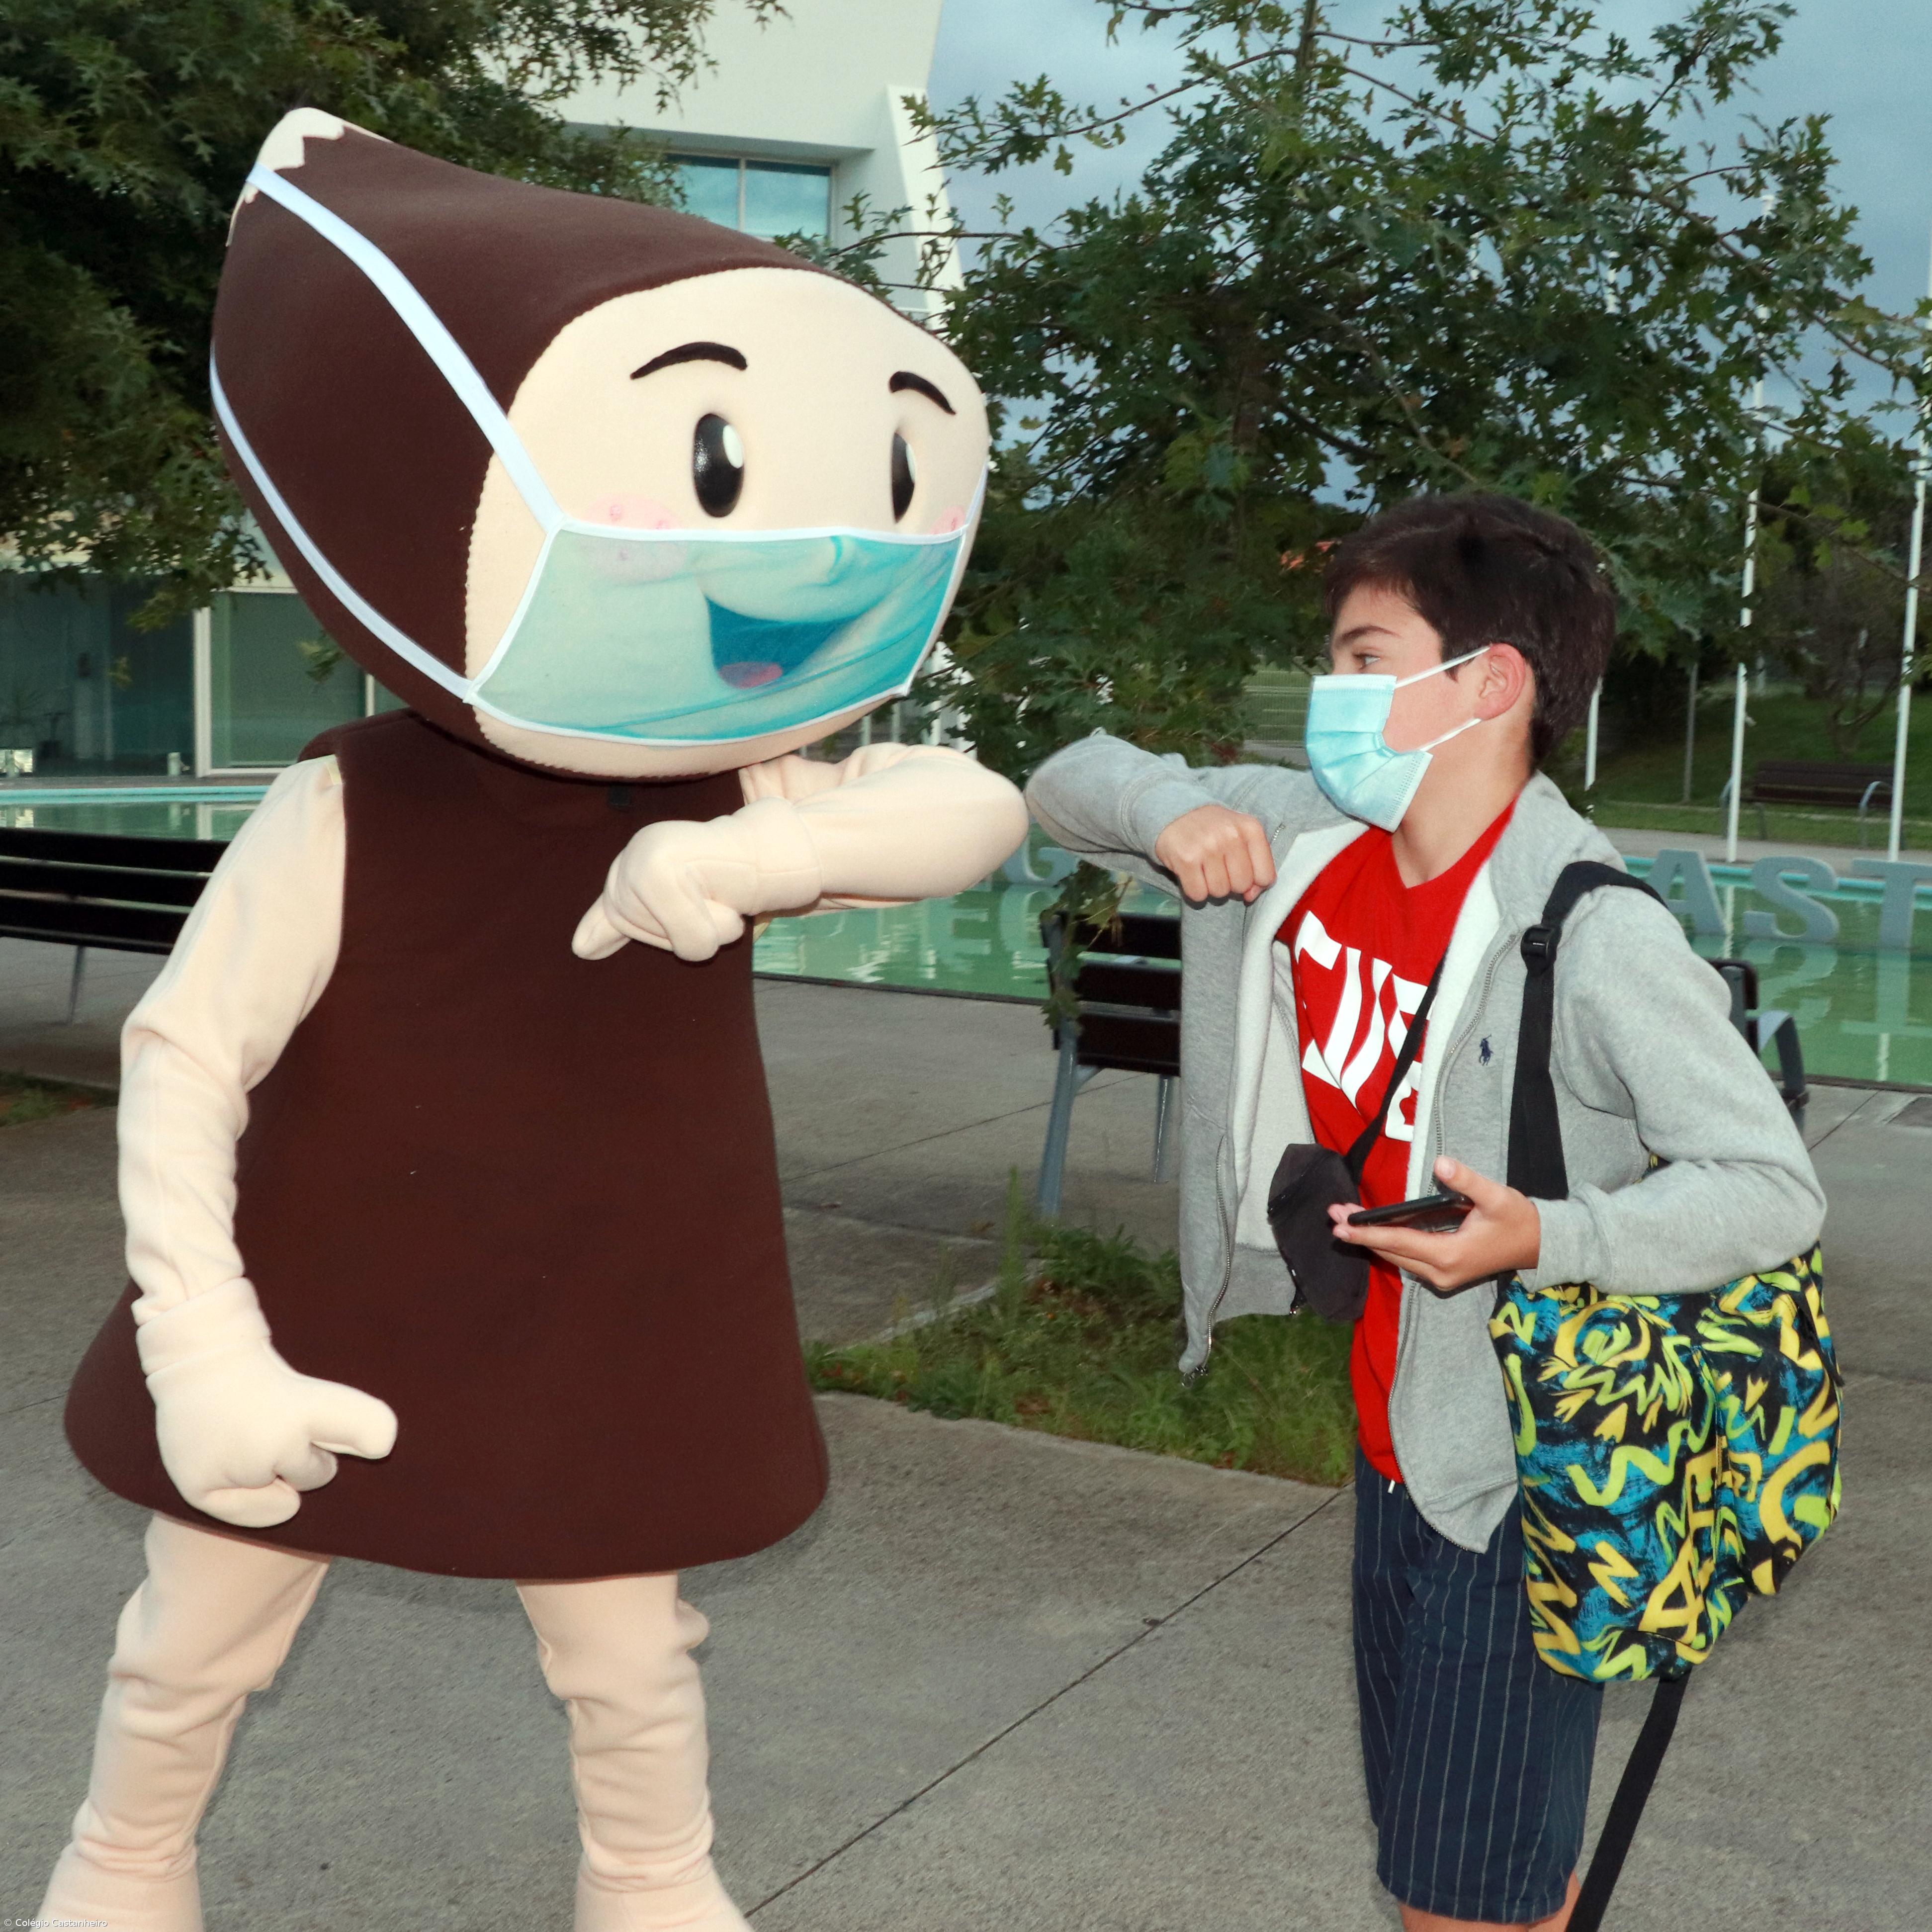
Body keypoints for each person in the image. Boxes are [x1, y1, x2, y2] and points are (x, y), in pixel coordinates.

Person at [39, 110, 1026, 1932]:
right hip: (329, 1288)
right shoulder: (347, 802)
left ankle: (653, 1887)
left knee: (631, 1656)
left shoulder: (741, 781)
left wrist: (736, 869)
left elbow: (970, 814)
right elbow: (187, 1056)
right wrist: (205, 1342)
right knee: (198, 1634)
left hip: (595, 1306)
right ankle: (121, 1865)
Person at [1024, 493, 1823, 1931]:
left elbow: (1771, 1188)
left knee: (1452, 1897)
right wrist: (1172, 810)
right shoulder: (1309, 837)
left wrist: (1550, 1237)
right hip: (1397, 1443)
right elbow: (1065, 778)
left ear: (1490, 685)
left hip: (1516, 1479)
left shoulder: (1590, 930)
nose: (1328, 694)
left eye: (1364, 659)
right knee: (1478, 1869)